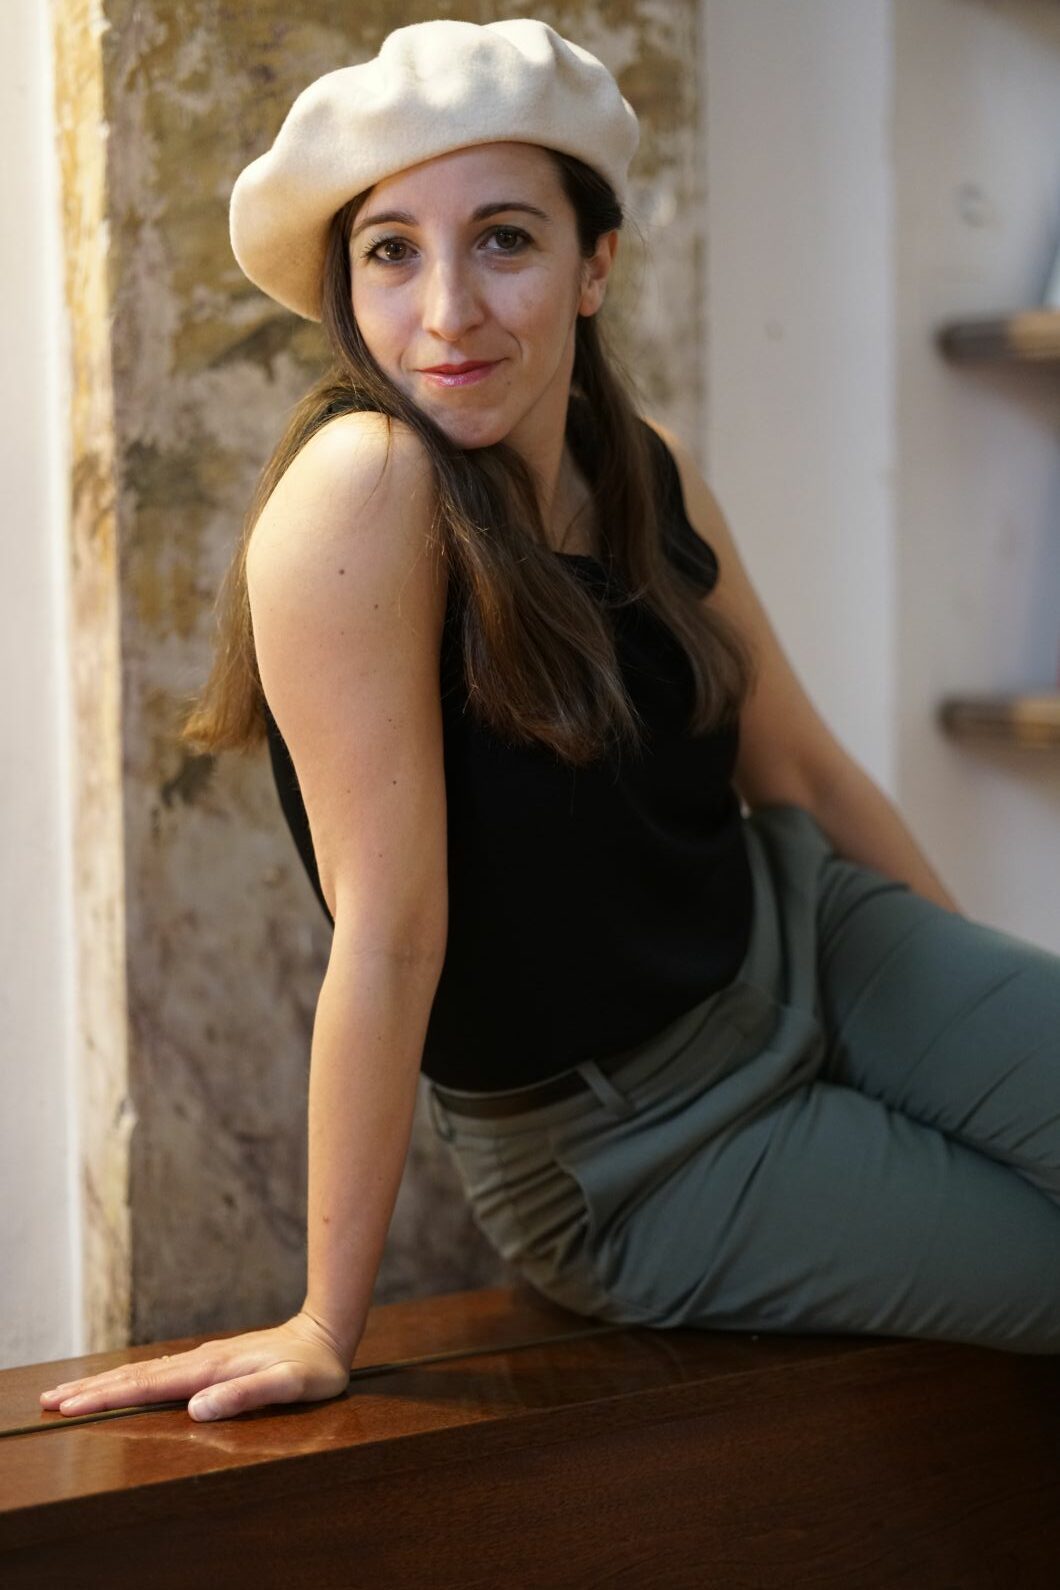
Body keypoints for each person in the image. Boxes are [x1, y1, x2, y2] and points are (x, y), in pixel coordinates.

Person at [40, 18, 1060, 1428]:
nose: (447, 310)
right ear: (346, 287)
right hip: (636, 1148)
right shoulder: (364, 493)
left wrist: (955, 1044)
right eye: (392, 251)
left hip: (812, 938)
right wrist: (324, 1320)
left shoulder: (647, 466)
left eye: (504, 240)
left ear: (595, 266)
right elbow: (390, 933)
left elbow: (806, 773)